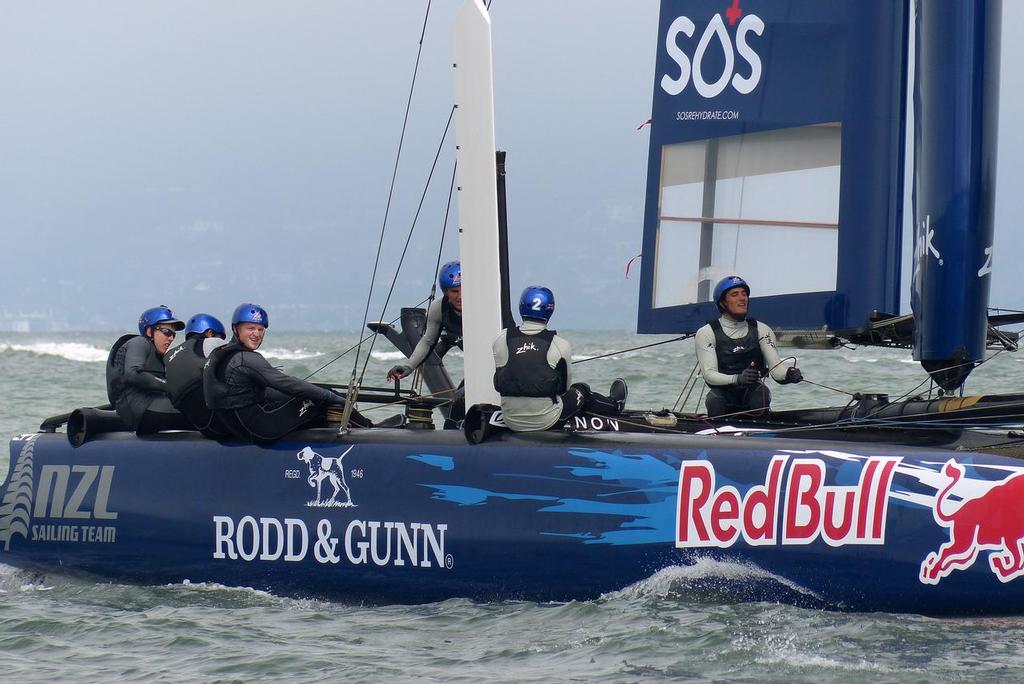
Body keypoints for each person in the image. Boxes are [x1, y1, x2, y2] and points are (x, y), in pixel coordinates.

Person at [204, 303, 372, 443]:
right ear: (235, 329)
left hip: (238, 427)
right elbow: (287, 384)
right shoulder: (246, 359)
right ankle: (370, 429)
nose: (256, 334)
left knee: (310, 397)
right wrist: (330, 396)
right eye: (250, 328)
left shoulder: (221, 354)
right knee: (323, 399)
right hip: (259, 430)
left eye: (261, 329)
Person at [492, 286, 627, 432]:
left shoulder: (500, 340)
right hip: (547, 421)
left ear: (521, 306)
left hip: (511, 420)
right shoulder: (560, 345)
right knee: (582, 389)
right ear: (550, 309)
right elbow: (564, 389)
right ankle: (615, 404)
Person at [695, 275, 803, 418]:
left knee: (762, 394)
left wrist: (788, 374)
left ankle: (761, 433)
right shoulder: (706, 333)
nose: (742, 298)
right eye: (735, 294)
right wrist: (738, 378)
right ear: (722, 303)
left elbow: (776, 369)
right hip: (723, 394)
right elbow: (709, 375)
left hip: (752, 392)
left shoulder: (762, 330)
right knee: (715, 400)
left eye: (744, 294)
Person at [387, 260, 465, 425]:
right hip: (475, 370)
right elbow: (427, 342)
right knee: (455, 414)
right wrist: (408, 366)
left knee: (461, 399)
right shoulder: (439, 308)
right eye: (454, 291)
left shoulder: (484, 304)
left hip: (495, 368)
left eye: (464, 290)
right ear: (445, 292)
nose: (460, 296)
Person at [106, 305, 193, 434]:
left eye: (173, 335)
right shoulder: (139, 342)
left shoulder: (159, 356)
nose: (170, 338)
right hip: (139, 410)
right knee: (199, 414)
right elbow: (133, 373)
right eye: (166, 332)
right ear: (149, 331)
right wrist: (170, 386)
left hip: (150, 407)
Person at [164, 313, 231, 438]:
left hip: (195, 421)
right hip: (218, 422)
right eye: (220, 336)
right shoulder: (211, 342)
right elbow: (244, 358)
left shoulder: (169, 355)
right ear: (210, 333)